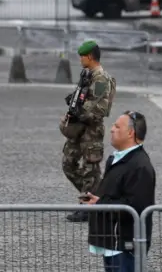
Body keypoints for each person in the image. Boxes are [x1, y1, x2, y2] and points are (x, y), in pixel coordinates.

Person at [83, 111, 156, 272]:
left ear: (131, 133)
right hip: (113, 241)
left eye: (117, 126)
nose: (111, 129)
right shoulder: (118, 159)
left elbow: (135, 207)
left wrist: (100, 203)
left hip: (125, 245)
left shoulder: (140, 166)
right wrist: (97, 200)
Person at [59, 40, 116, 222]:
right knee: (69, 164)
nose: (80, 60)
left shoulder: (101, 78)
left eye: (82, 56)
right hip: (78, 129)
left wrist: (80, 113)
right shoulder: (87, 74)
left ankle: (88, 207)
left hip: (91, 130)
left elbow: (101, 107)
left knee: (90, 168)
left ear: (90, 57)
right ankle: (96, 199)